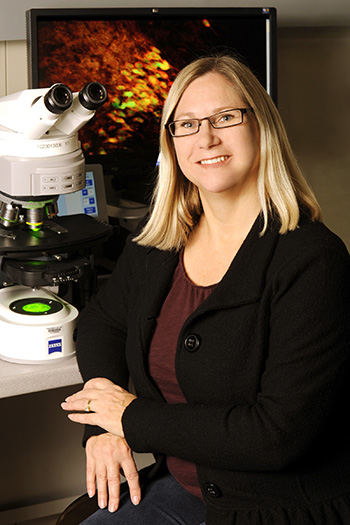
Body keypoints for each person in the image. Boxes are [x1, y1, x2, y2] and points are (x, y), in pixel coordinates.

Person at [61, 55, 350, 524]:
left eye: (225, 118)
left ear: (262, 127)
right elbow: (103, 320)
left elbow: (274, 435)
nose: (206, 138)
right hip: (188, 489)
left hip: (280, 507)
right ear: (171, 142)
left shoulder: (312, 260)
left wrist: (128, 420)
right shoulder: (161, 241)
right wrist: (101, 425)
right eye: (187, 124)